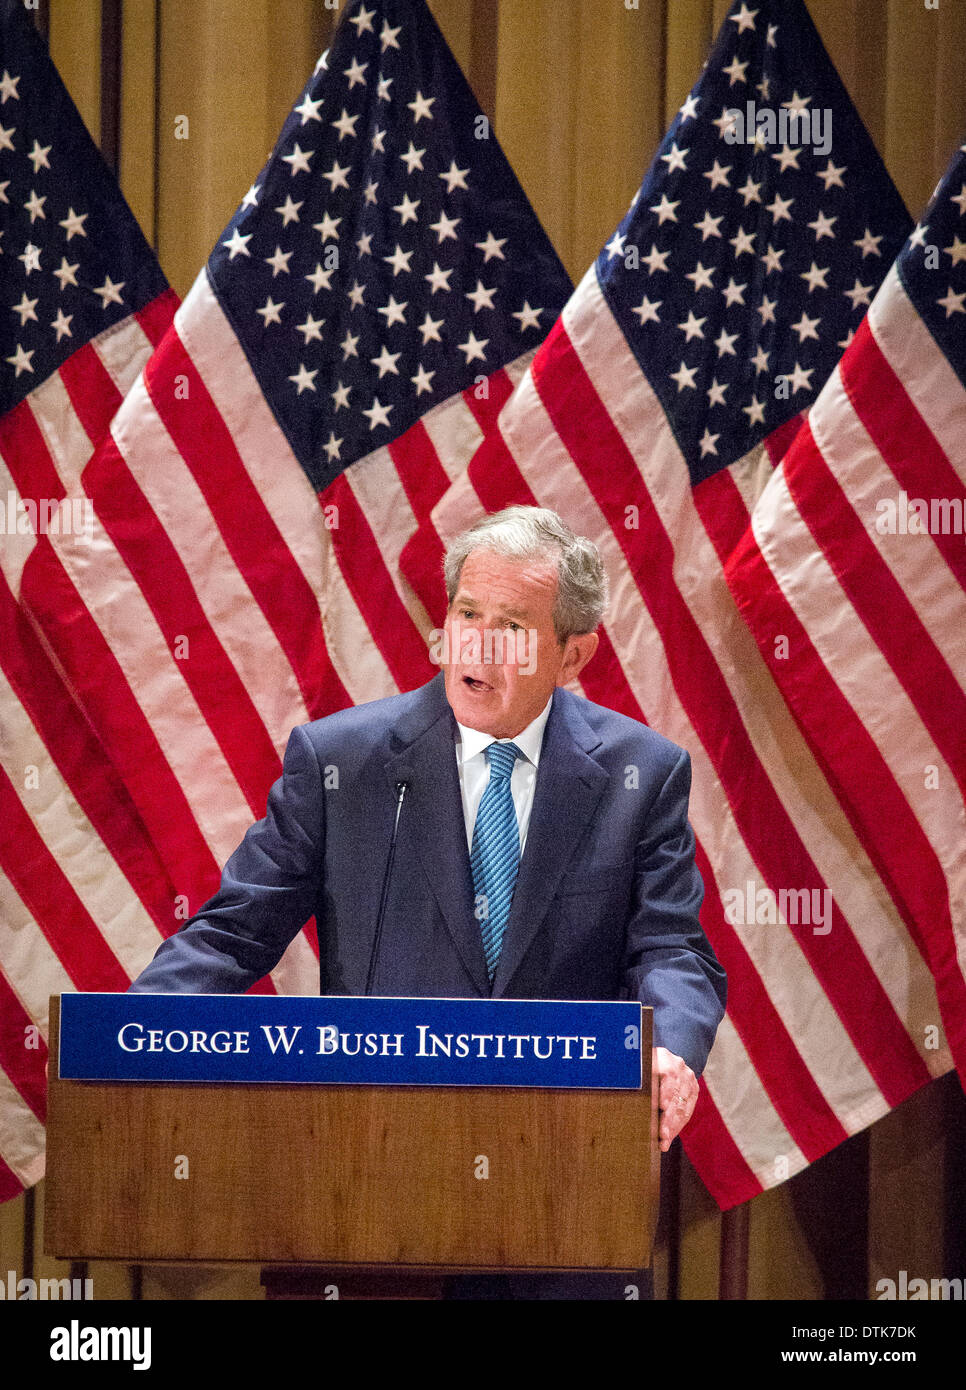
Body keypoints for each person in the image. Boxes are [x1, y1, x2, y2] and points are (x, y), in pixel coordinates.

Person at [129, 505, 726, 1298]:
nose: (476, 645)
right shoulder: (342, 762)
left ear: (574, 652)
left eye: (510, 625)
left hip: (562, 1196)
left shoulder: (641, 775)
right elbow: (232, 934)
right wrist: (134, 1040)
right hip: (368, 1194)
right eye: (465, 614)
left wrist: (674, 1052)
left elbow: (673, 950)